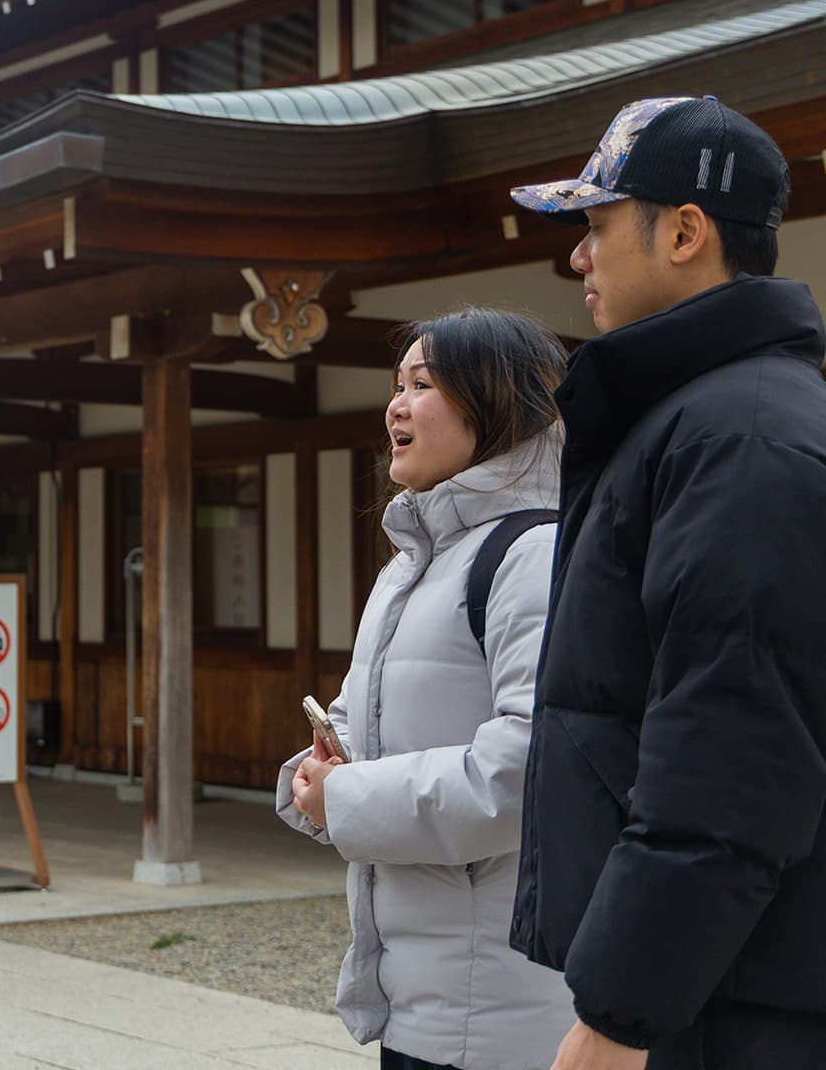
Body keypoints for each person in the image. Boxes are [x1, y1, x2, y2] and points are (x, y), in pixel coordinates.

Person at [508, 95, 826, 1070]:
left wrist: (619, 1015)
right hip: (715, 977)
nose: (578, 257)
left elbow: (731, 753)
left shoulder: (743, 438)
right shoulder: (700, 418)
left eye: (597, 224)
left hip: (734, 1002)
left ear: (685, 231)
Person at [279, 308, 576, 1070]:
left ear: (493, 402)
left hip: (500, 1009)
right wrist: (318, 772)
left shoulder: (533, 553)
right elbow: (359, 720)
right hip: (421, 999)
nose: (396, 406)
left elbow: (525, 770)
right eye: (396, 384)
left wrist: (343, 798)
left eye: (422, 384)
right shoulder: (411, 563)